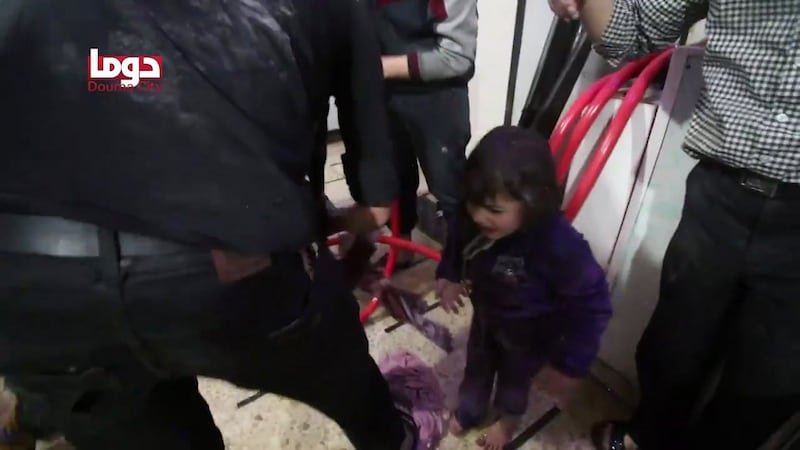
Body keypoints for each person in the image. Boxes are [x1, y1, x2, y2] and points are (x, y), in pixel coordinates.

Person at [0, 0, 424, 448]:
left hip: (37, 284)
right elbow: (376, 201)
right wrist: (336, 227)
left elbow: (123, 75)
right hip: (230, 268)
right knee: (349, 381)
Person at [547, 0, 800, 449]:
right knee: (674, 346)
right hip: (721, 191)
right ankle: (646, 437)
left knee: (769, 383)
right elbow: (630, 31)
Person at [435, 126, 613, 449]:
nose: (479, 217)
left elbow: (594, 304)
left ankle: (507, 422)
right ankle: (470, 410)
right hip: (487, 318)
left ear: (533, 204)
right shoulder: (471, 216)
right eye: (473, 204)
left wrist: (570, 365)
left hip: (530, 336)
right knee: (476, 367)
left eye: (494, 210)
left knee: (513, 385)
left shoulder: (558, 244)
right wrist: (448, 275)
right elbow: (457, 240)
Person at [366, 0, 478, 268]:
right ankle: (401, 248)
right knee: (396, 176)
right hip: (385, 90)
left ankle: (464, 261)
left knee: (448, 185)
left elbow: (457, 58)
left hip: (436, 95)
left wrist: (373, 67)